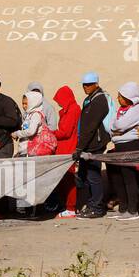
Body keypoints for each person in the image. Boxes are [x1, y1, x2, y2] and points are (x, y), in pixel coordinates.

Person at [75, 72, 111, 218]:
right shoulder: (89, 99)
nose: (86, 87)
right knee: (84, 176)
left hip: (94, 145)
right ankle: (91, 204)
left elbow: (91, 126)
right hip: (87, 144)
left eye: (89, 84)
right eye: (84, 84)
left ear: (96, 84)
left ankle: (97, 207)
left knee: (93, 176)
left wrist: (79, 147)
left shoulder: (99, 100)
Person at [107, 82, 139, 220]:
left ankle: (133, 210)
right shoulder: (121, 110)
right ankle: (123, 208)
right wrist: (117, 129)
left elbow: (119, 125)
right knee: (118, 177)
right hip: (119, 147)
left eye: (121, 96)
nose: (118, 98)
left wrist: (118, 129)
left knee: (129, 178)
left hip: (130, 146)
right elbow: (111, 127)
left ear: (129, 97)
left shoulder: (136, 110)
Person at [49, 85, 81, 218]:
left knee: (68, 179)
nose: (59, 104)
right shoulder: (70, 109)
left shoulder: (72, 110)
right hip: (65, 147)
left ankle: (71, 207)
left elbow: (65, 132)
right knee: (65, 179)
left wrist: (50, 133)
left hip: (68, 148)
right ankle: (68, 206)